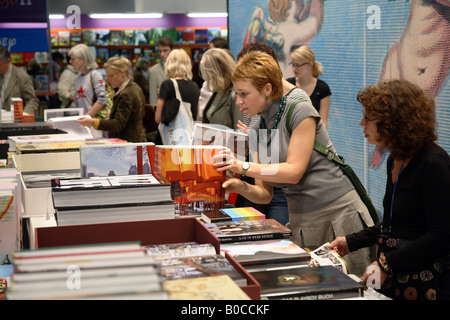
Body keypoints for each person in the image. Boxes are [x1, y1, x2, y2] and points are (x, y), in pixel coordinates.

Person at [213, 51, 374, 276]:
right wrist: (241, 186)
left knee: (352, 286)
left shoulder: (298, 108)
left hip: (338, 215)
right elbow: (264, 193)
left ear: (267, 89)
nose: (238, 101)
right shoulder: (258, 123)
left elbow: (294, 171)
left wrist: (243, 166)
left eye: (244, 94)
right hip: (302, 220)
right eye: (237, 94)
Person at [328, 79, 450, 300]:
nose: (361, 123)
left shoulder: (434, 163)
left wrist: (386, 264)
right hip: (397, 277)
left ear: (392, 122)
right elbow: (398, 226)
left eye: (368, 118)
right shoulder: (395, 158)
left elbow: (441, 234)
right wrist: (351, 241)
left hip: (426, 283)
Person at [77, 57, 146, 143]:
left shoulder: (126, 94)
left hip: (128, 142)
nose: (108, 80)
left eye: (111, 76)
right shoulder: (135, 87)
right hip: (135, 139)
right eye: (107, 76)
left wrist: (92, 122)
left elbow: (117, 124)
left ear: (122, 73)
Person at [154, 49, 199, 143]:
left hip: (168, 140)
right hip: (188, 139)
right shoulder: (194, 86)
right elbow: (196, 118)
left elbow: (158, 118)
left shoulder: (167, 85)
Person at [286, 46, 331, 128]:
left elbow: (323, 123)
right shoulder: (288, 84)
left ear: (310, 64)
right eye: (292, 64)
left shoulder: (322, 88)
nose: (294, 69)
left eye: (297, 65)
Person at [199, 48, 243, 130]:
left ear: (216, 73)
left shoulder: (235, 93)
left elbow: (239, 132)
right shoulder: (218, 91)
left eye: (209, 76)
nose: (207, 80)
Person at [69, 44, 108, 117]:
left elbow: (102, 100)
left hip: (95, 122)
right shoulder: (77, 78)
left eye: (73, 59)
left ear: (82, 59)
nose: (70, 61)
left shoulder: (95, 75)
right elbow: (77, 103)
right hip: (83, 122)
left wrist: (87, 116)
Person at [0, 47, 39, 115]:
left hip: (14, 121)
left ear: (8, 61)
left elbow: (32, 100)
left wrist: (24, 115)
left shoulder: (22, 77)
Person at [148, 37, 173, 108]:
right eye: (160, 51)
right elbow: (153, 98)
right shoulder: (153, 71)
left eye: (165, 51)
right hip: (162, 113)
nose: (162, 54)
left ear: (172, 50)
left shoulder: (181, 69)